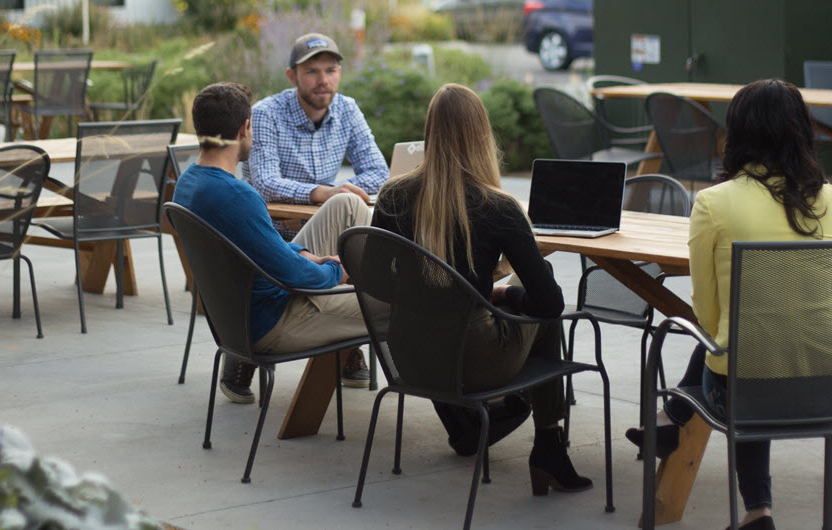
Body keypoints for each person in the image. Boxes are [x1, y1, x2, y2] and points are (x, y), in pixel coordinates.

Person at [624, 79, 832, 530]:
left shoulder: (714, 203)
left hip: (744, 390)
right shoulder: (828, 197)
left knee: (737, 351)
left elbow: (707, 314)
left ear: (738, 132)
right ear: (800, 130)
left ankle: (755, 508)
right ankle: (750, 508)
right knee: (751, 347)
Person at [371, 84, 593, 496]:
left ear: (429, 132)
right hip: (475, 362)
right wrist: (504, 294)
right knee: (540, 293)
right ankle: (548, 445)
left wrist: (456, 290)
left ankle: (470, 424)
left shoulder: (392, 196)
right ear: (481, 135)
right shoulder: (498, 207)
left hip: (408, 356)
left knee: (453, 319)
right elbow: (549, 304)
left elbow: (374, 281)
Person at [172, 82, 371, 405]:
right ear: (244, 128)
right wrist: (338, 270)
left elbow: (265, 250)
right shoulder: (237, 195)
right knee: (394, 303)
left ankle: (347, 346)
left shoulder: (189, 182)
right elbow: (296, 276)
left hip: (243, 312)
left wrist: (303, 253)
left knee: (346, 205)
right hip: (272, 322)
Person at [242, 33, 389, 209]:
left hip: (326, 220)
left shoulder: (347, 109)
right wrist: (323, 193)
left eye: (330, 71)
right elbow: (266, 184)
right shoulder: (266, 114)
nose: (323, 81)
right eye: (311, 71)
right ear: (292, 76)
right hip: (275, 228)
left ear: (339, 73)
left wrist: (333, 191)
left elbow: (379, 172)